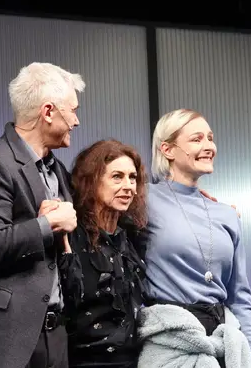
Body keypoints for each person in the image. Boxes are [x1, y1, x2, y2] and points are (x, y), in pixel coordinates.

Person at [0, 62, 85, 368]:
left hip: (55, 338)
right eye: (73, 110)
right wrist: (47, 224)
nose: (76, 121)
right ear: (48, 112)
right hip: (2, 344)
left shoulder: (58, 171)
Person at [139, 108, 251, 368]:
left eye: (210, 138)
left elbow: (240, 298)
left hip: (223, 345)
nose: (209, 146)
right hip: (169, 345)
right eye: (197, 139)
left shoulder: (226, 215)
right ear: (167, 149)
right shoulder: (142, 199)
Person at [59, 140, 148, 368]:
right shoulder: (71, 235)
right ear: (92, 181)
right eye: (117, 177)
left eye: (132, 177)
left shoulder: (131, 237)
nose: (128, 186)